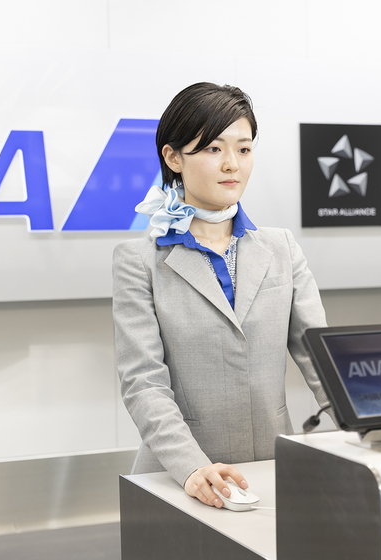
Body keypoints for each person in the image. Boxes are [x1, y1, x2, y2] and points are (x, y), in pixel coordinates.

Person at [112, 82, 331, 509]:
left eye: (244, 149)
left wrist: (375, 432)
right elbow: (143, 382)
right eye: (213, 149)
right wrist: (193, 468)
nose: (232, 164)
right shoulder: (138, 261)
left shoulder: (281, 247)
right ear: (173, 157)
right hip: (179, 480)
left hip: (273, 469)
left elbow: (322, 359)